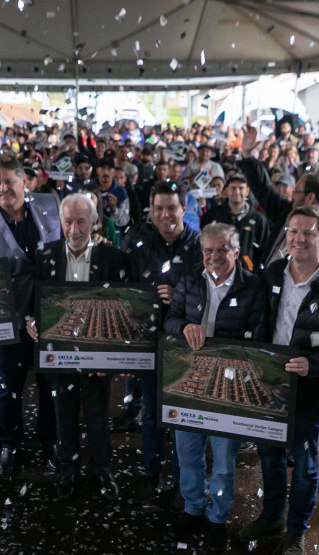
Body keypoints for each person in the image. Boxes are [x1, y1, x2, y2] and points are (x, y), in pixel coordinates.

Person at [239, 205, 319, 554]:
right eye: (294, 231)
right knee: (269, 453)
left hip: (309, 389)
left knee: (305, 462)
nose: (299, 238)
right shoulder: (273, 273)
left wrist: (315, 364)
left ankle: (296, 532)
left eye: (308, 232)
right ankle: (272, 515)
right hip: (267, 383)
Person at [164, 222, 268, 552]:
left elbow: (260, 334)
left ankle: (218, 518)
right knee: (188, 453)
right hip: (191, 382)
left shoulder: (252, 287)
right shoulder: (191, 278)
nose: (214, 257)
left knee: (224, 459)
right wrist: (184, 326)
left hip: (228, 384)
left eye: (222, 249)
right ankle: (194, 508)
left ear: (237, 252)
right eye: (208, 250)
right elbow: (170, 318)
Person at [30, 193, 131, 501]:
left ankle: (102, 470)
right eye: (68, 221)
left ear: (94, 222)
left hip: (96, 358)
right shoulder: (44, 256)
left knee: (99, 415)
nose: (74, 229)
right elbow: (32, 301)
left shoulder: (113, 259)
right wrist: (30, 320)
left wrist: (112, 354)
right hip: (58, 356)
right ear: (60, 222)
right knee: (64, 415)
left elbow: (122, 310)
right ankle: (67, 471)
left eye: (81, 221)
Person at [0, 154, 61, 478]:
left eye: (9, 181)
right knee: (9, 388)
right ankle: (10, 444)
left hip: (53, 315)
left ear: (26, 180)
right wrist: (22, 320)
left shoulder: (51, 204)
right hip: (12, 322)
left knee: (52, 383)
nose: (2, 188)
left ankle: (51, 440)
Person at [121, 181, 202, 504]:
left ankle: (185, 486)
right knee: (153, 413)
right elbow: (122, 288)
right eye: (159, 209)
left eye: (171, 207)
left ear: (184, 208)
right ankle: (150, 472)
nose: (165, 214)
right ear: (151, 211)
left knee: (184, 417)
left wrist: (178, 292)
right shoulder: (137, 242)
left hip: (188, 345)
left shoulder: (200, 245)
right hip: (148, 342)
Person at [238, 125, 319, 274]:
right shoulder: (287, 211)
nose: (292, 196)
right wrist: (247, 155)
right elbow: (263, 189)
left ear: (310, 197)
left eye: (297, 192)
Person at [199, 176, 268, 271]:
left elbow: (264, 251)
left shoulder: (258, 219)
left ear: (247, 191)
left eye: (241, 188)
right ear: (226, 190)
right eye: (233, 188)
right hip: (216, 272)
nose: (237, 192)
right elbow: (202, 244)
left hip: (247, 276)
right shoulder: (212, 215)